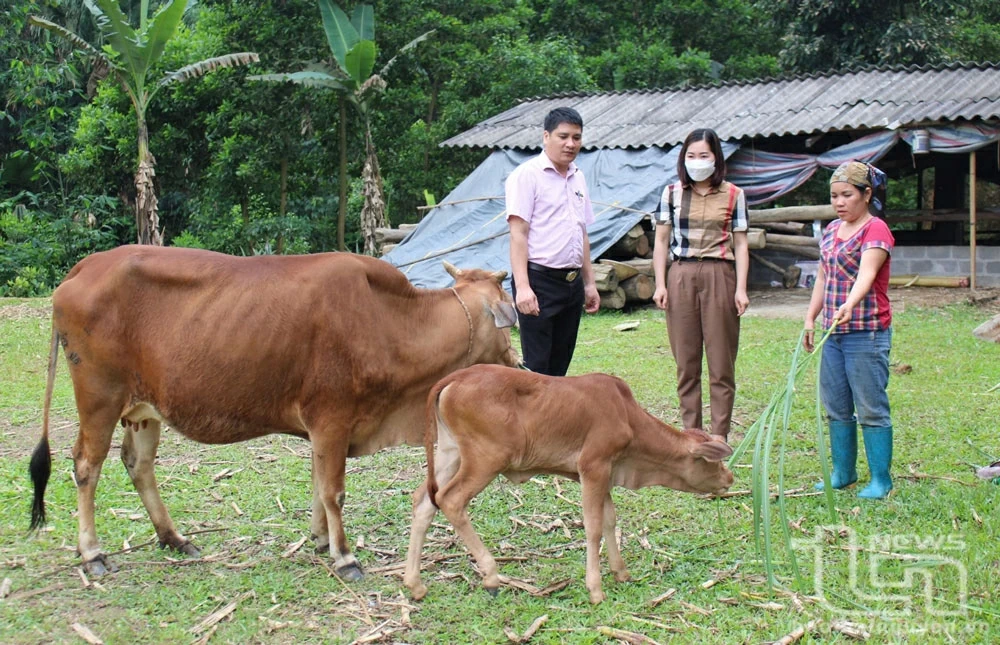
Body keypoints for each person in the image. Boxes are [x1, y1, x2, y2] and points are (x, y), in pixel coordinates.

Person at [804, 160, 894, 499]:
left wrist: (850, 305)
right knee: (837, 404)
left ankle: (881, 479)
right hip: (834, 333)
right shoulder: (830, 231)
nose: (840, 203)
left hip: (866, 332)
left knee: (871, 405)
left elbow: (867, 275)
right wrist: (811, 316)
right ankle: (843, 472)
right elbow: (823, 277)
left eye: (847, 195)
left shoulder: (876, 230)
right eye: (834, 196)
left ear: (866, 194)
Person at [652, 128, 750, 443]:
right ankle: (692, 435)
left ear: (716, 158)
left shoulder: (734, 194)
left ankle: (719, 435)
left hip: (720, 274)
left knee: (721, 361)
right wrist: (660, 284)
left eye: (704, 155)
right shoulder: (671, 194)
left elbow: (742, 244)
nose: (697, 162)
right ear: (683, 159)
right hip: (680, 274)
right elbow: (661, 241)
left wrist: (741, 288)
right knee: (686, 361)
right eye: (691, 156)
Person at [506, 107, 600, 376]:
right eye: (563, 136)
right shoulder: (527, 175)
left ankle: (554, 419)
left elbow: (581, 232)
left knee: (560, 366)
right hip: (539, 282)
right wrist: (523, 288)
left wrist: (589, 284)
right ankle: (531, 420)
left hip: (571, 285)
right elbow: (518, 234)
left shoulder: (578, 176)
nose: (570, 144)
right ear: (546, 136)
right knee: (537, 368)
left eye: (576, 137)